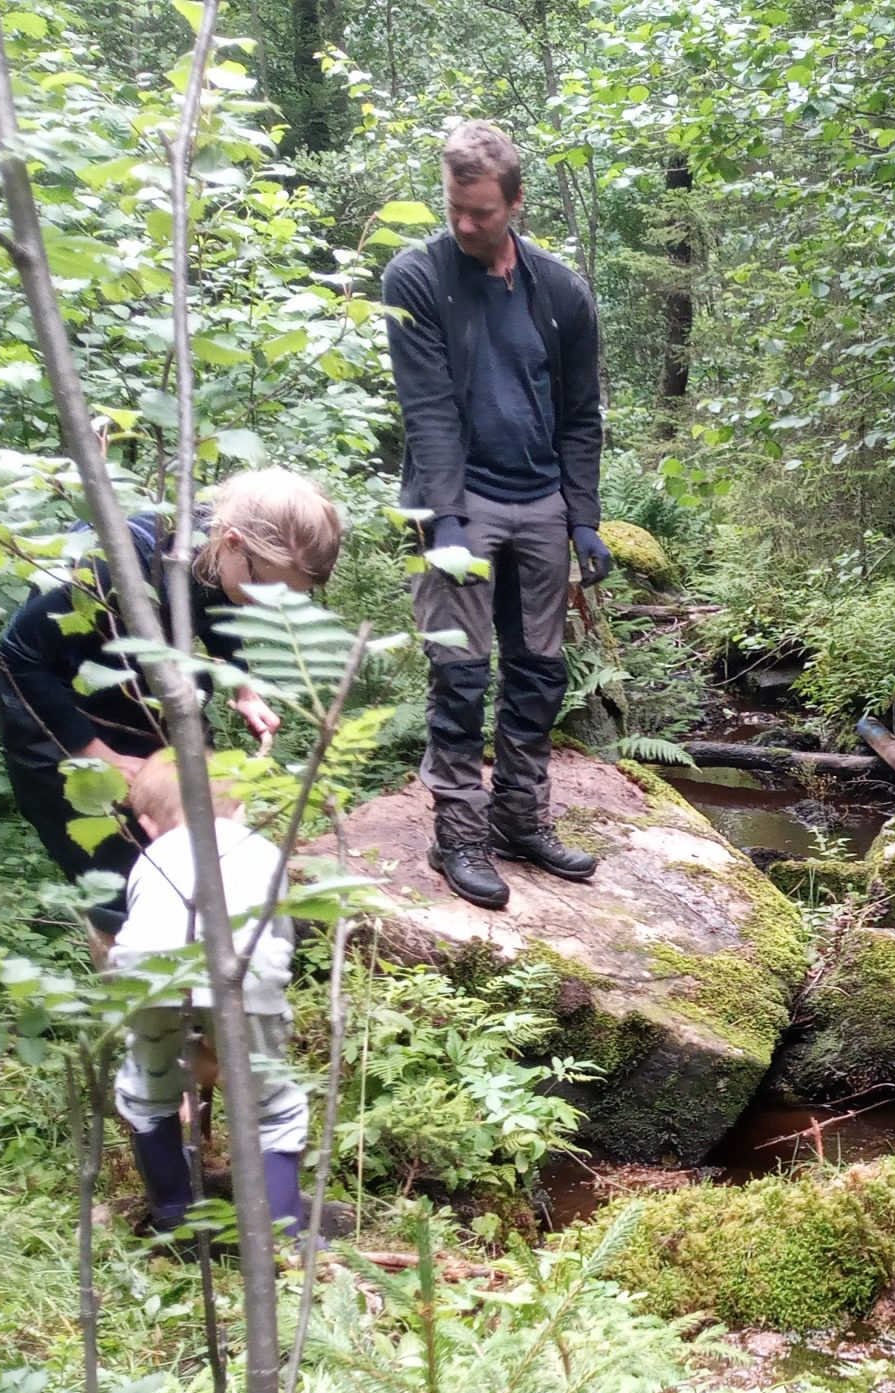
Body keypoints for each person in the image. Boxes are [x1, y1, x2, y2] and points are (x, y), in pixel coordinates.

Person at [384, 120, 609, 911]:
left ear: (515, 201)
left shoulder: (560, 290)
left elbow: (582, 413)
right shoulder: (417, 277)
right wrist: (442, 519)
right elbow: (429, 410)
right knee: (459, 670)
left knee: (539, 670)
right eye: (454, 207)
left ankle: (519, 817)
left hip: (541, 497)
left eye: (480, 211)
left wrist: (584, 515)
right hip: (462, 498)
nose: (464, 223)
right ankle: (459, 833)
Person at [0, 469, 342, 936]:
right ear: (233, 541)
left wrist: (243, 684)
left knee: (200, 843)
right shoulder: (104, 565)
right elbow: (19, 657)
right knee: (119, 877)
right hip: (58, 717)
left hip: (147, 695)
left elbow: (221, 609)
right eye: (269, 591)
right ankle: (135, 982)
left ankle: (208, 980)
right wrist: (97, 756)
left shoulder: (216, 551)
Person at [107, 753, 309, 1237]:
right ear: (238, 809)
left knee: (148, 1094)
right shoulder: (261, 849)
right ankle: (285, 1234)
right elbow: (279, 934)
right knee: (273, 1105)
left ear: (147, 823)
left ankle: (174, 1216)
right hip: (245, 972)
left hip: (148, 975)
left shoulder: (149, 857)